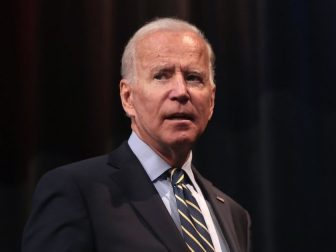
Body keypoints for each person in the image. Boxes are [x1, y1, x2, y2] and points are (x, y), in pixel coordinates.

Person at [22, 17, 251, 252]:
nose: (181, 92)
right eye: (161, 75)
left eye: (194, 78)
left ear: (211, 100)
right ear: (128, 98)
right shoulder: (76, 191)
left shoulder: (233, 214)